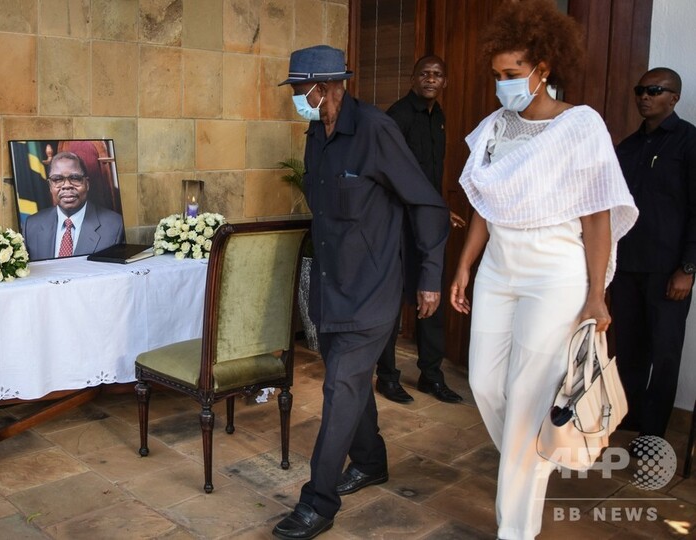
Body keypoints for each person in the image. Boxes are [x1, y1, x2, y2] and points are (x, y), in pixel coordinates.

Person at [447, 1, 638, 538]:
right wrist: (465, 265)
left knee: (529, 397)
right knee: (485, 383)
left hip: (554, 273)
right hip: (499, 268)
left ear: (543, 68)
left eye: (512, 74)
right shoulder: (494, 127)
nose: (502, 85)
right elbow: (486, 205)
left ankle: (515, 527)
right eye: (496, 75)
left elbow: (597, 216)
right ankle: (532, 457)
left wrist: (596, 293)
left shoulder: (580, 125)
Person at [272, 45, 449, 540]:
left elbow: (426, 203)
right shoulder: (316, 133)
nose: (296, 99)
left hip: (372, 288)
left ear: (327, 87)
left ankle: (318, 502)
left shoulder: (375, 129)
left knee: (341, 388)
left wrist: (430, 275)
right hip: (331, 286)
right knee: (346, 383)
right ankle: (370, 461)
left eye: (300, 90)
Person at [375, 54, 466, 404]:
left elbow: (428, 176)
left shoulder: (438, 117)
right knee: (393, 301)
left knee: (432, 296)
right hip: (398, 222)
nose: (430, 79)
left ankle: (431, 375)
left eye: (437, 74)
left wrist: (440, 209)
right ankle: (387, 377)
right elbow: (391, 175)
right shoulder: (397, 117)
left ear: (445, 82)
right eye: (424, 74)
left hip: (426, 220)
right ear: (412, 79)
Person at [612, 67, 696, 439]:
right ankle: (627, 420)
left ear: (674, 98)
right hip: (627, 265)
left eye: (655, 90)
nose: (645, 96)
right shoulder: (628, 147)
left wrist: (688, 268)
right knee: (629, 349)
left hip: (668, 270)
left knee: (664, 353)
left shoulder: (689, 142)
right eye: (640, 90)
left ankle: (652, 434)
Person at [24, 151, 124, 261]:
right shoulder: (31, 226)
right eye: (57, 179)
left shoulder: (114, 226)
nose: (67, 186)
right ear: (50, 186)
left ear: (87, 184)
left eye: (75, 178)